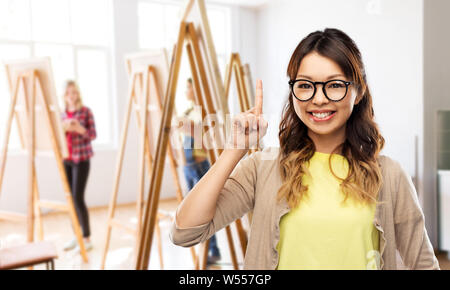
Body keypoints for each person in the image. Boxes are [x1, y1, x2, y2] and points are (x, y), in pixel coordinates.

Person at [169, 28, 440, 270]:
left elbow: (423, 264)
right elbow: (185, 232)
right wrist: (234, 149)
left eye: (334, 85)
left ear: (358, 91)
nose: (318, 99)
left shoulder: (390, 175)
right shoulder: (262, 168)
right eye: (305, 85)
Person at [177, 78, 221, 264]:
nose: (187, 90)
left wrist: (191, 131)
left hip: (200, 165)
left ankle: (213, 251)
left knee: (203, 212)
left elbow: (208, 143)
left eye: (189, 86)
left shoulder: (204, 113)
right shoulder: (187, 111)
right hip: (187, 166)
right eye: (186, 86)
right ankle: (201, 247)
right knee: (190, 212)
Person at [61, 80, 97, 253]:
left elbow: (92, 134)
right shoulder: (61, 114)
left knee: (78, 198)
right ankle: (76, 235)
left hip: (81, 159)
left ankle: (87, 237)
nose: (72, 96)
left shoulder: (86, 112)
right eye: (69, 93)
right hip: (66, 158)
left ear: (78, 94)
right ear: (65, 96)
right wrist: (64, 129)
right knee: (70, 198)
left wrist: (79, 129)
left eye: (74, 92)